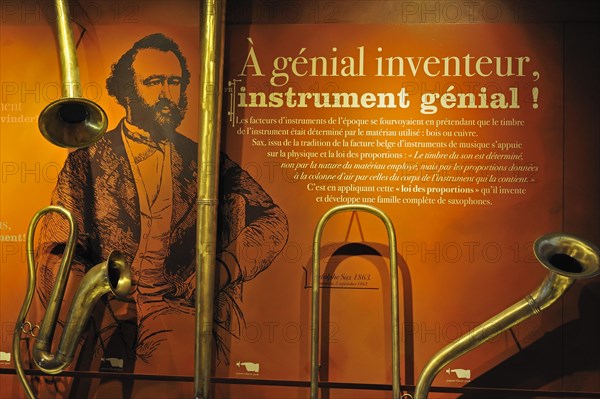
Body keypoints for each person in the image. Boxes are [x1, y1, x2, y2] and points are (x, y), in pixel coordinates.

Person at [35, 33, 289, 379]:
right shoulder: (87, 159)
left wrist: (224, 267)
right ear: (125, 91)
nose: (167, 94)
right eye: (153, 82)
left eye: (174, 82)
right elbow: (58, 243)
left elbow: (273, 219)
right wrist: (78, 306)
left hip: (176, 306)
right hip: (103, 307)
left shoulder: (203, 158)